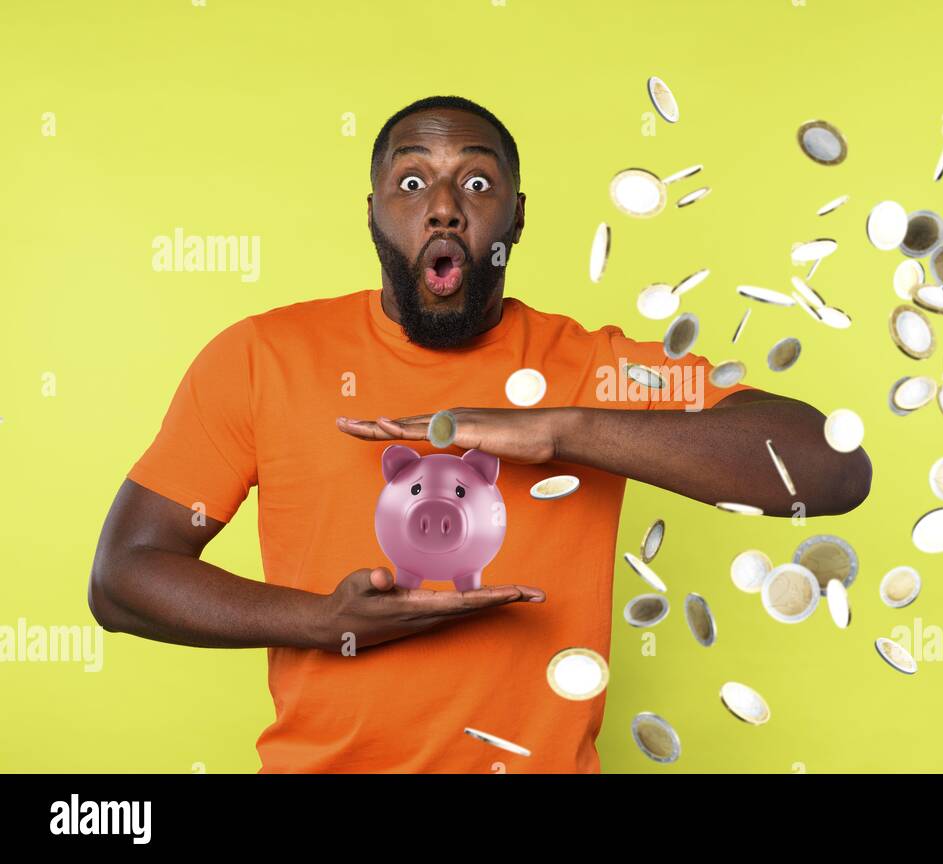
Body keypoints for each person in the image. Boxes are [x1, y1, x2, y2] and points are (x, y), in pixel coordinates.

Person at [88, 95, 872, 773]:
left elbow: (832, 469)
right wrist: (326, 625)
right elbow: (125, 577)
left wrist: (557, 430)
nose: (443, 204)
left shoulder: (598, 370)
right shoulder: (262, 357)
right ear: (372, 214)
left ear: (517, 215)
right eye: (410, 181)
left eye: (476, 181)